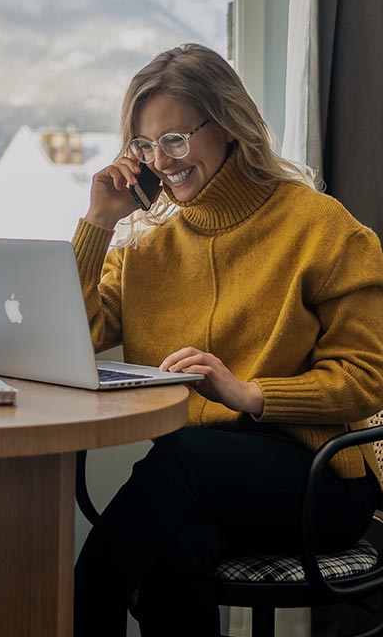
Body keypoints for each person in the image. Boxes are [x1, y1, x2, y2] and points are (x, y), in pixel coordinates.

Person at [72, 43, 383, 637]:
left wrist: (248, 394)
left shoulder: (320, 228)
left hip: (316, 482)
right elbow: (81, 334)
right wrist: (99, 223)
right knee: (172, 552)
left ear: (229, 125)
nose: (160, 161)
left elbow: (367, 380)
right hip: (200, 486)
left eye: (176, 138)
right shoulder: (144, 246)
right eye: (144, 145)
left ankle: (89, 597)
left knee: (179, 460)